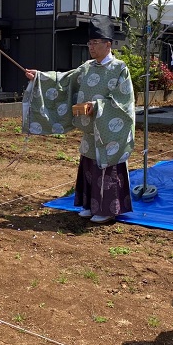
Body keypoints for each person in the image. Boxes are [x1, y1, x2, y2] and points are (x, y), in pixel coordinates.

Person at [22, 15, 135, 224]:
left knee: (106, 166)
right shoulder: (87, 67)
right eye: (90, 43)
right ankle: (89, 205)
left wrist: (97, 106)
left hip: (110, 129)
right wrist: (39, 76)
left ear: (108, 44)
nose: (91, 47)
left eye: (95, 43)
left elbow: (123, 101)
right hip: (91, 129)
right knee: (89, 166)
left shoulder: (120, 69)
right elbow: (66, 80)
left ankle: (108, 209)